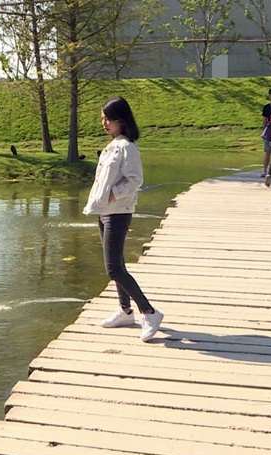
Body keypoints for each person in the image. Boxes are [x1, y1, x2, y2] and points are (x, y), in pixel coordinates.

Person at [83, 97, 163, 342]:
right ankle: (125, 310)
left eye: (109, 119)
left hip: (118, 212)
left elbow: (135, 180)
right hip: (104, 211)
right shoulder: (113, 146)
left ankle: (149, 312)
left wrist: (112, 194)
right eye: (103, 119)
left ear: (121, 120)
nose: (105, 124)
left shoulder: (127, 147)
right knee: (118, 265)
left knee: (113, 269)